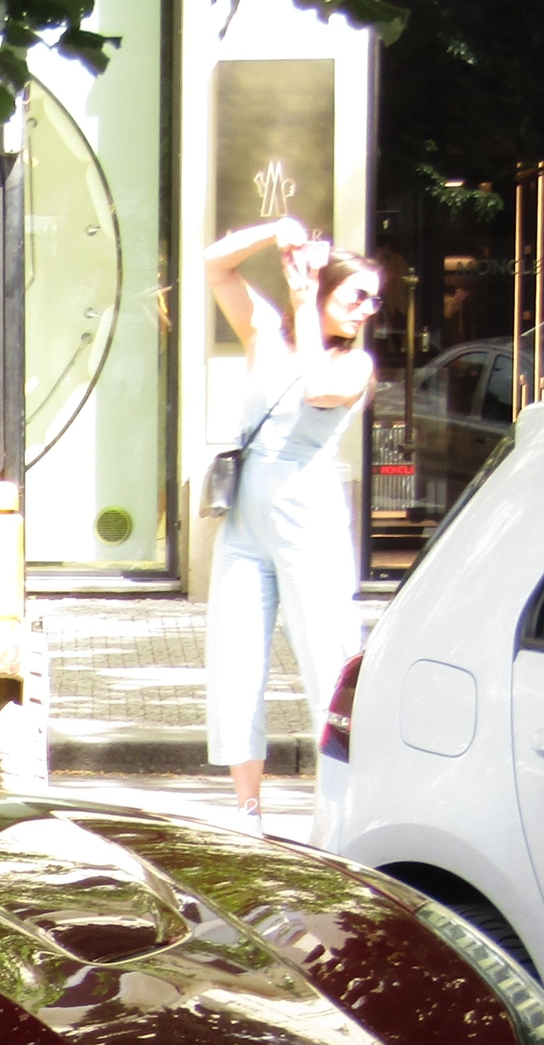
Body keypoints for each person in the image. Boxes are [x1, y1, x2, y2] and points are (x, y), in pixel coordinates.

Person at [202, 218, 381, 833]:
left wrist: (306, 306)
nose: (368, 308)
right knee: (234, 662)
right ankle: (248, 813)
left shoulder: (355, 365)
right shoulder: (268, 334)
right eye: (358, 293)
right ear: (328, 286)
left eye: (374, 298)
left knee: (328, 663)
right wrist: (275, 232)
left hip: (309, 517)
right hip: (245, 521)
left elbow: (319, 388)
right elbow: (215, 265)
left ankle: (338, 811)